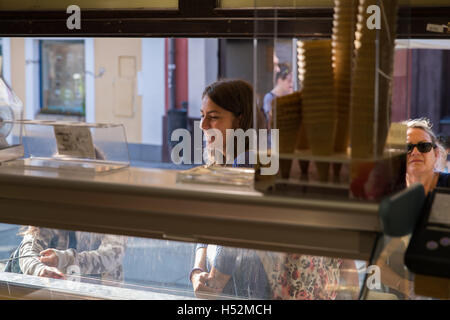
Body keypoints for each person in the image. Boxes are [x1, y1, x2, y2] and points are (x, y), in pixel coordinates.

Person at [191, 79, 271, 299]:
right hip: (227, 283)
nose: (203, 125)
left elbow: (236, 228)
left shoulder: (247, 160)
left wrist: (214, 281)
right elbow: (205, 229)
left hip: (245, 287)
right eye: (202, 115)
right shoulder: (220, 164)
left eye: (214, 117)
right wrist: (196, 271)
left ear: (240, 121)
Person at [14, 226, 127, 285]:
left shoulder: (109, 206)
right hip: (59, 291)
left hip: (102, 291)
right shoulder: (53, 205)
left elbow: (111, 256)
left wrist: (65, 259)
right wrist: (40, 269)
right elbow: (28, 249)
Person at [406, 118, 450, 193]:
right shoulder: (388, 191)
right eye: (407, 147)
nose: (415, 152)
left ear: (436, 153)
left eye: (424, 146)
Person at [262, 64, 294, 128]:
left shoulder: (286, 97)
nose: (291, 85)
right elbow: (270, 121)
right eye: (289, 81)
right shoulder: (269, 98)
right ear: (279, 81)